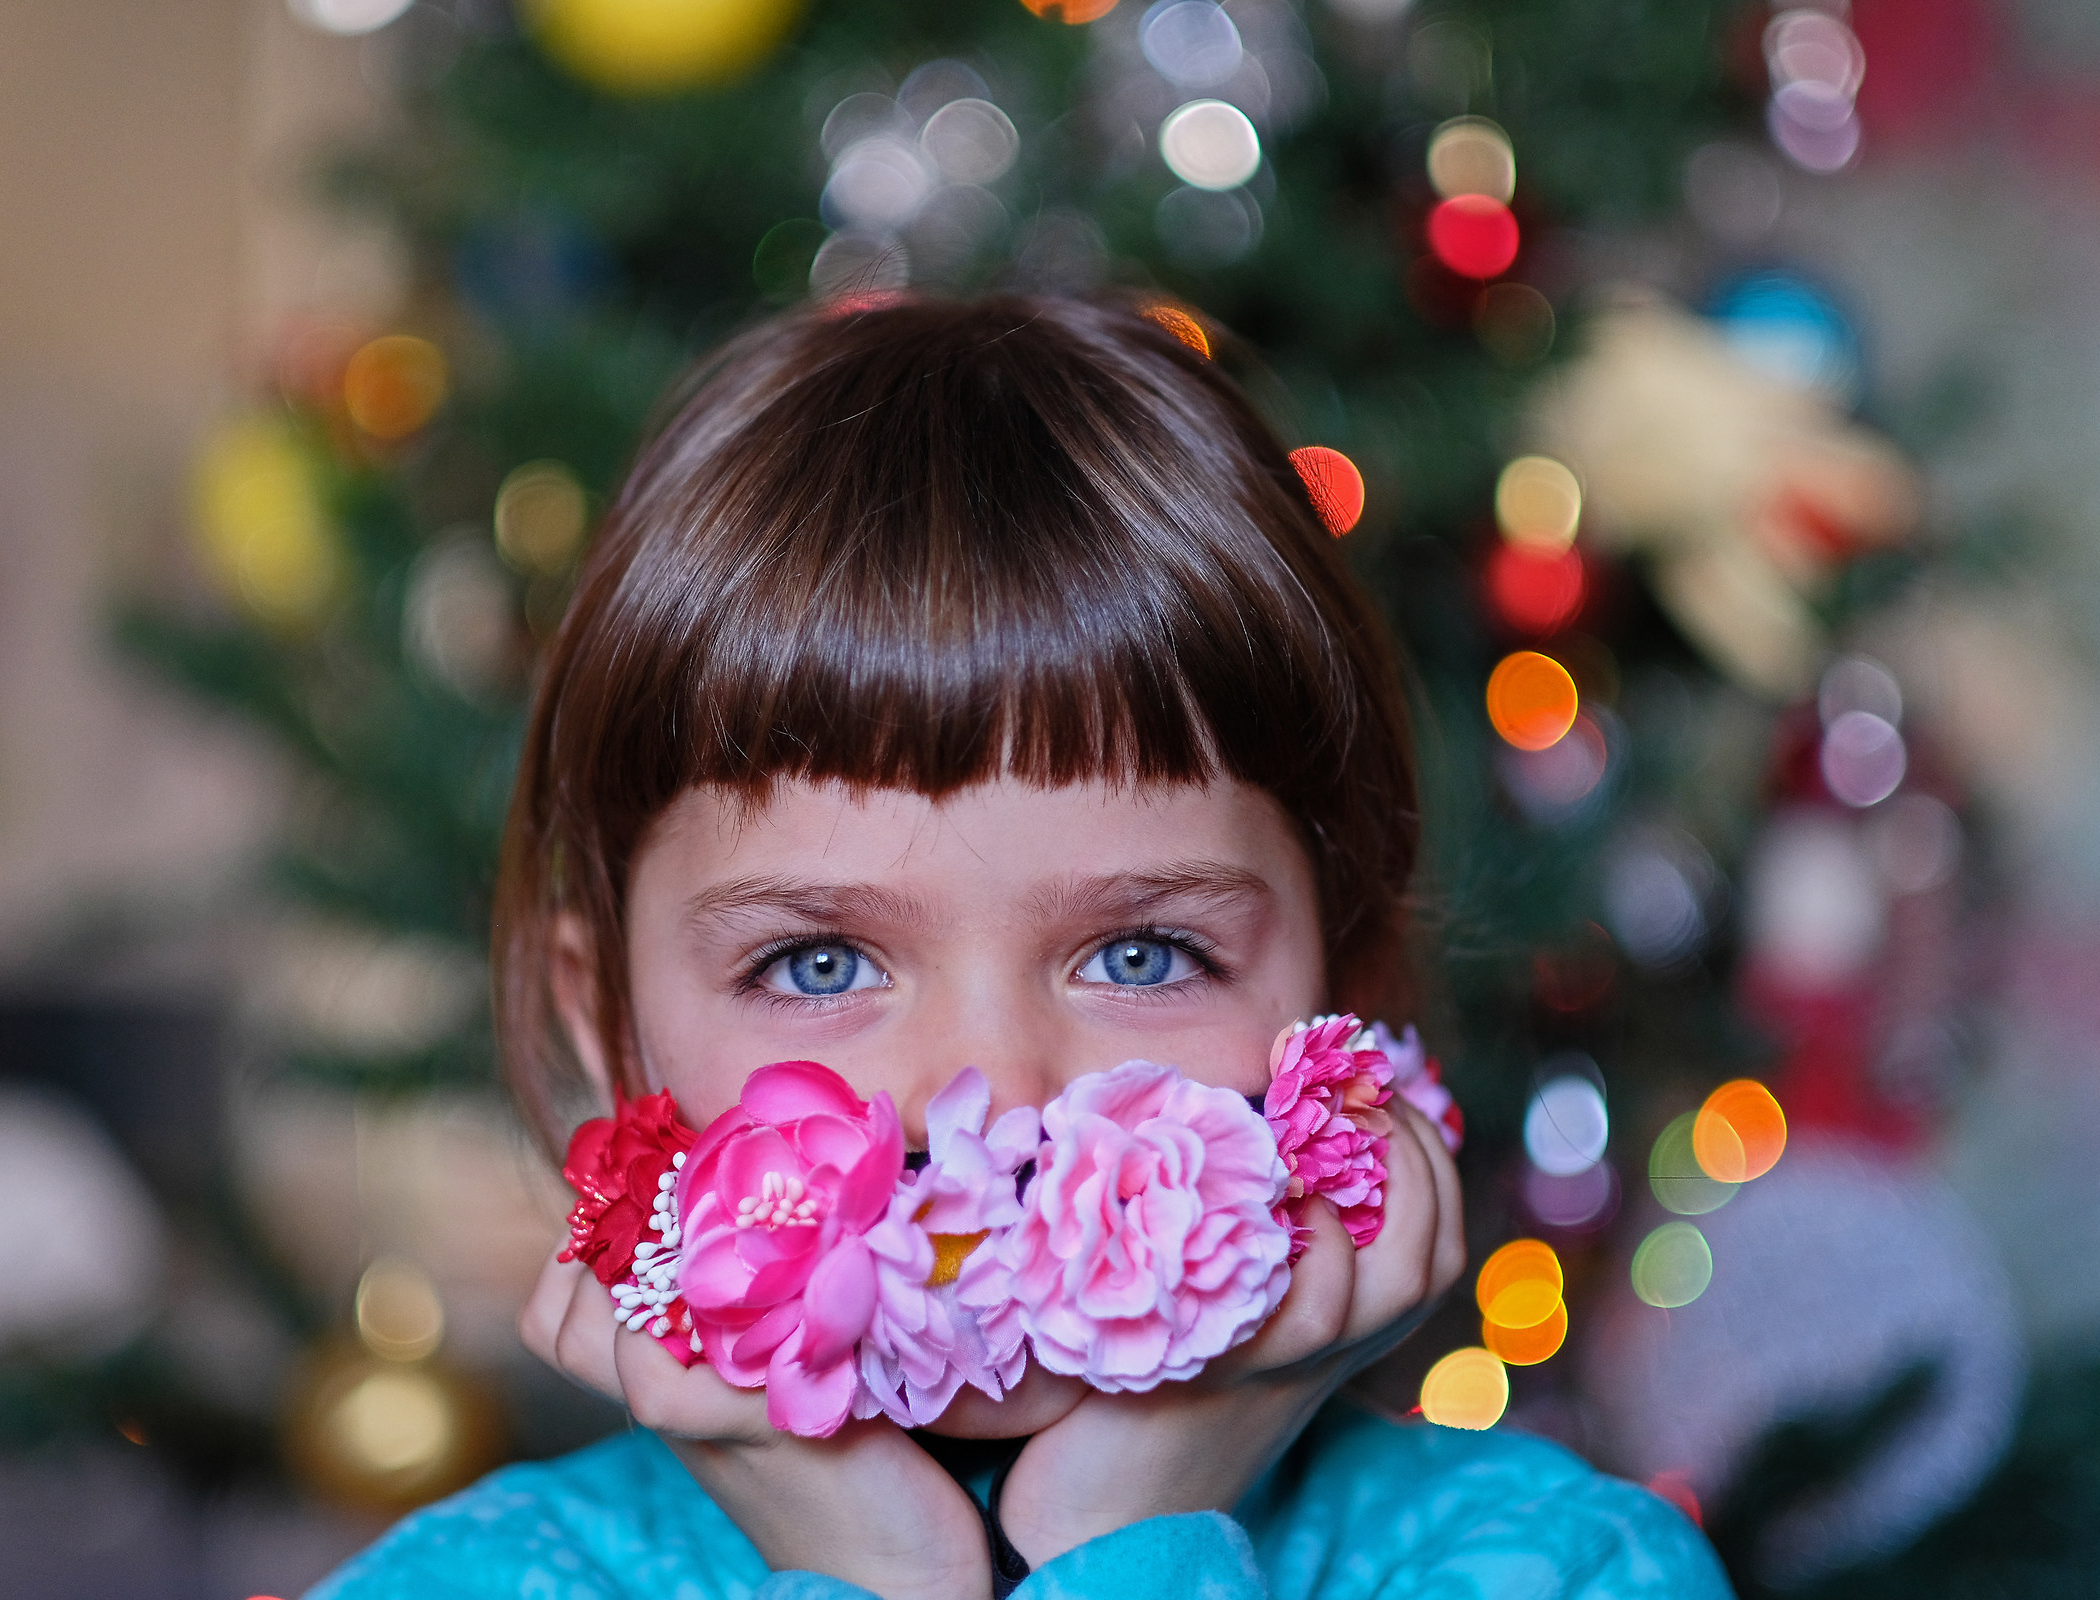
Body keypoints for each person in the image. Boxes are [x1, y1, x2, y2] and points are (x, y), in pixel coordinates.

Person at [308, 295, 1730, 1600]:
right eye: (817, 965)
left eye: (1141, 956)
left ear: (1341, 1006)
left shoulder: (1570, 1571)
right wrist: (875, 1570)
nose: (988, 1097)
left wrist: (1133, 1533)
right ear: (610, 1028)